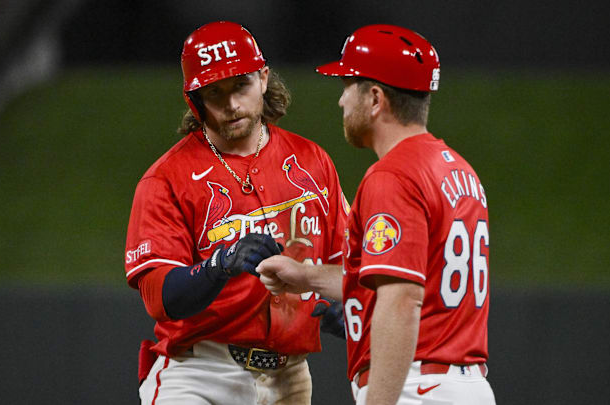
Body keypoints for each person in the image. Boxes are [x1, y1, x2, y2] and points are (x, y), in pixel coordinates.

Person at [257, 24, 496, 405]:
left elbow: (402, 298)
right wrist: (305, 276)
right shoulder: (457, 169)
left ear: (374, 98)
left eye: (347, 86)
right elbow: (398, 279)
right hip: (464, 386)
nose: (341, 101)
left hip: (417, 387)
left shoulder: (393, 175)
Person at [123, 21, 348, 405]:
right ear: (195, 99)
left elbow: (349, 264)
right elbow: (158, 296)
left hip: (290, 375)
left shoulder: (313, 161)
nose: (231, 104)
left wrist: (344, 309)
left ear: (262, 79)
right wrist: (218, 266)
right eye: (215, 92)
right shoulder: (167, 178)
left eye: (240, 85)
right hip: (201, 373)